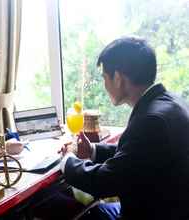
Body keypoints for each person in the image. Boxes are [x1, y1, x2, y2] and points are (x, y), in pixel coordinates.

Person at [60, 37, 189, 220]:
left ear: (118, 78)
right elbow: (137, 154)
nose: (105, 85)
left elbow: (106, 182)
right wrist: (93, 151)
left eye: (105, 77)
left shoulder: (151, 120)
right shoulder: (172, 102)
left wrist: (67, 160)